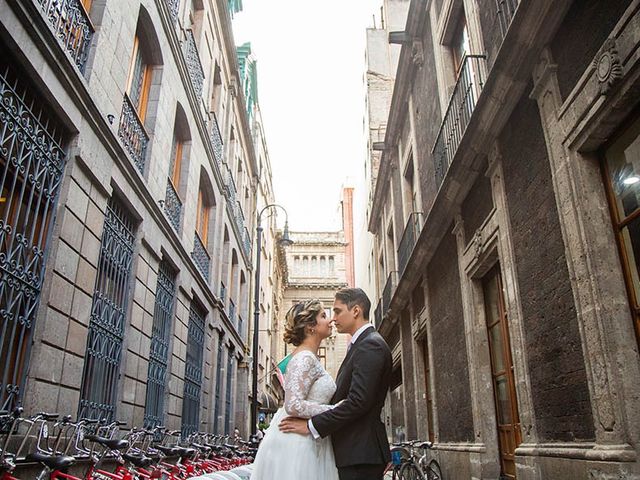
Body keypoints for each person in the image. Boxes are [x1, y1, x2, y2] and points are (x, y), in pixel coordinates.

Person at [280, 288, 392, 480]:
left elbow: (358, 401)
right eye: (327, 314)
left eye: (337, 311)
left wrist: (312, 426)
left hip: (360, 453)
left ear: (356, 311)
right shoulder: (361, 344)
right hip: (353, 452)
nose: (333, 318)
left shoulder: (370, 344)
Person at [249, 299, 339, 480]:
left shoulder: (308, 356)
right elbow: (293, 404)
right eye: (323, 315)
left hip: (308, 438)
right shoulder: (305, 358)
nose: (330, 320)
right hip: (299, 442)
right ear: (310, 327)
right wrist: (334, 410)